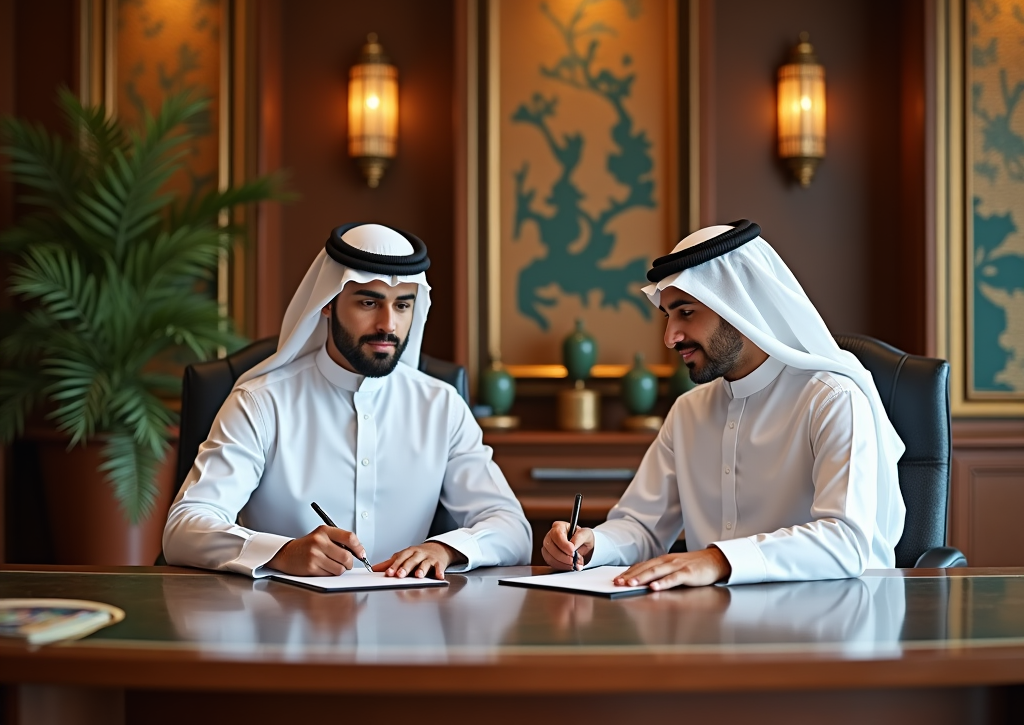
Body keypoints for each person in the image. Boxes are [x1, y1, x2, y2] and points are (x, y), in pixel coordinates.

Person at [542, 220, 906, 589]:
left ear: (737, 305)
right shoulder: (688, 413)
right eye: (668, 317)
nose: (670, 338)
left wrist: (719, 559)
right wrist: (593, 545)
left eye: (686, 313)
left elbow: (846, 540)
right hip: (713, 627)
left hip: (829, 627)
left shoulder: (832, 400)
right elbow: (642, 527)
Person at [164, 223, 532, 579]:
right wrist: (281, 553)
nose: (387, 324)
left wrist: (446, 549)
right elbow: (184, 528)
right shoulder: (261, 403)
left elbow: (513, 529)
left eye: (402, 305)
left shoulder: (441, 406)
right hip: (282, 625)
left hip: (411, 625)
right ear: (327, 304)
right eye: (369, 302)